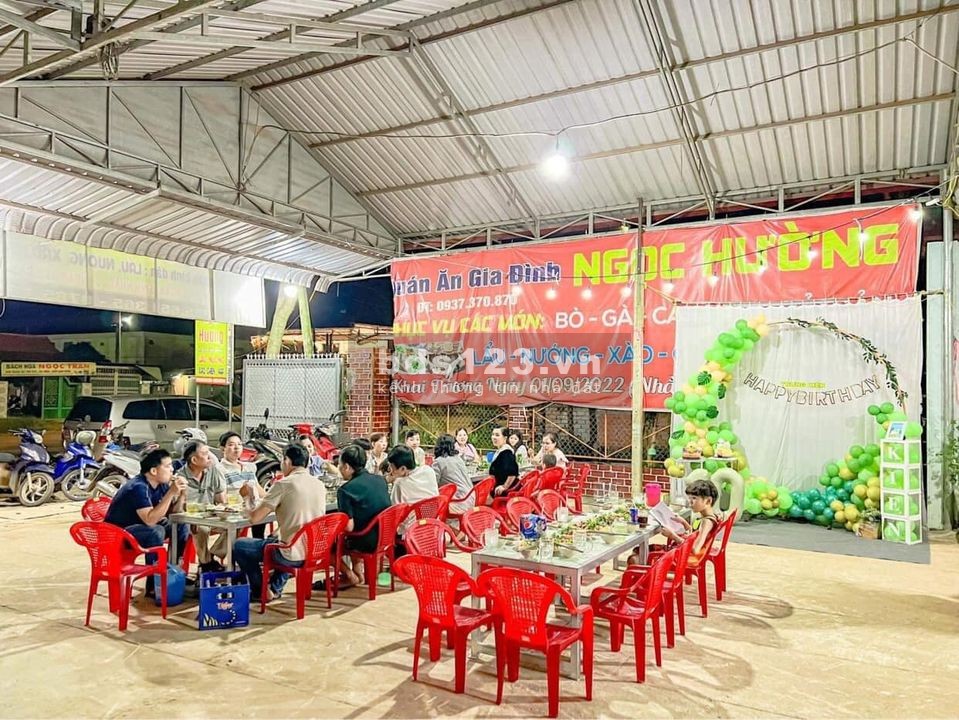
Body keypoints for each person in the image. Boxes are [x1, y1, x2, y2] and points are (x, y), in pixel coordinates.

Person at [234, 444, 327, 602]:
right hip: (315, 550)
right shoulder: (319, 484)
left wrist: (247, 498)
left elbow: (254, 518)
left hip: (291, 553)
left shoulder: (284, 484)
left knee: (240, 545)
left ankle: (261, 591)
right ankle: (274, 588)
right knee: (279, 539)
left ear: (287, 461)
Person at [103, 448, 189, 595]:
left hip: (140, 528)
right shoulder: (138, 487)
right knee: (155, 531)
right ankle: (153, 584)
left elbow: (173, 515)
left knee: (180, 525)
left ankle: (172, 572)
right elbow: (150, 520)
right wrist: (171, 493)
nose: (172, 469)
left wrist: (181, 495)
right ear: (154, 471)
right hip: (117, 535)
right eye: (167, 466)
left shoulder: (161, 484)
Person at [336, 444, 392, 587]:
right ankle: (358, 572)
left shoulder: (345, 490)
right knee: (360, 523)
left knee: (330, 545)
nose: (339, 468)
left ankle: (349, 575)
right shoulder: (380, 480)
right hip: (386, 536)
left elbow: (348, 528)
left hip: (366, 541)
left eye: (339, 465)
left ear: (347, 467)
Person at [179, 441, 229, 573]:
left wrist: (224, 508)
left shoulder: (213, 470)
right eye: (205, 453)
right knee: (201, 528)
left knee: (235, 525)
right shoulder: (180, 478)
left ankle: (212, 555)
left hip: (211, 516)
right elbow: (179, 507)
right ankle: (206, 564)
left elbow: (220, 499)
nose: (210, 457)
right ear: (194, 460)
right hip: (190, 520)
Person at [218, 431, 265, 539]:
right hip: (233, 510)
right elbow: (221, 497)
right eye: (231, 445)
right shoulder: (220, 469)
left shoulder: (249, 467)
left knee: (263, 515)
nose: (236, 448)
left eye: (239, 444)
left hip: (251, 508)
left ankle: (258, 543)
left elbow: (260, 491)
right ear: (222, 448)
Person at [429, 434, 473, 514]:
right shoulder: (458, 458)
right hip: (471, 499)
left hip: (459, 503)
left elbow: (433, 485)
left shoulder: (438, 461)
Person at [489, 426, 519, 497]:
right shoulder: (500, 451)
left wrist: (504, 486)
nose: (494, 437)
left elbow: (513, 472)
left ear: (505, 438)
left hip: (502, 492)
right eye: (493, 434)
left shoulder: (506, 452)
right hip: (496, 487)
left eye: (497, 435)